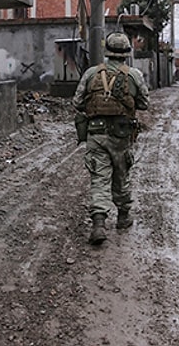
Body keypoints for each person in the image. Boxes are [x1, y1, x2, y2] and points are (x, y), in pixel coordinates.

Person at [72, 32, 150, 245]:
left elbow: (77, 102)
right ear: (126, 53)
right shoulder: (134, 75)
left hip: (96, 134)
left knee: (99, 177)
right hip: (121, 135)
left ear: (107, 52)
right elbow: (144, 103)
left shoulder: (91, 73)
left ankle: (98, 225)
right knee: (121, 175)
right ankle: (123, 217)